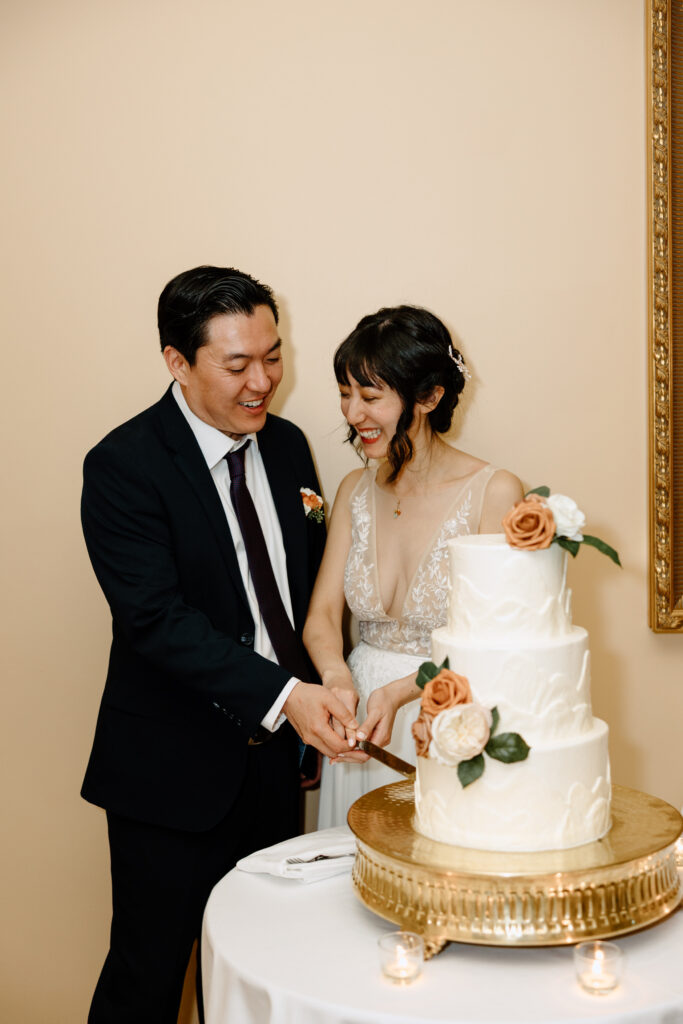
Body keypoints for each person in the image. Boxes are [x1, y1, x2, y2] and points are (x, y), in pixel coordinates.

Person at [80, 265, 358, 1024]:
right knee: (148, 970)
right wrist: (285, 698)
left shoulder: (290, 448)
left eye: (272, 355)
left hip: (277, 769)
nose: (262, 380)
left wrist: (323, 696)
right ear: (177, 361)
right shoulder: (122, 466)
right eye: (237, 364)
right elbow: (156, 620)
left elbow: (305, 599)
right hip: (169, 774)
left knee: (260, 969)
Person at [303, 305, 524, 829]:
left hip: (448, 715)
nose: (353, 414)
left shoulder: (494, 492)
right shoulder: (355, 490)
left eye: (371, 396)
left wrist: (402, 692)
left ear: (428, 396)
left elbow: (496, 637)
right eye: (345, 393)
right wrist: (338, 679)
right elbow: (322, 616)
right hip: (361, 724)